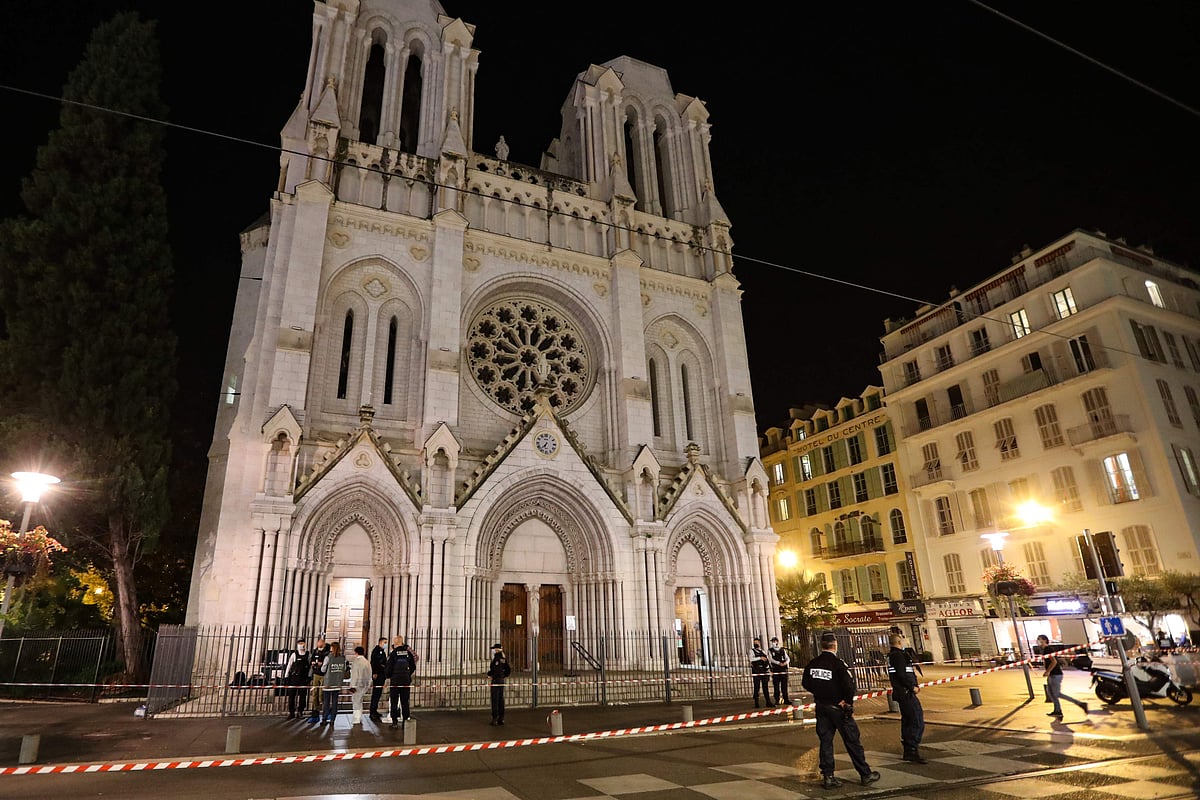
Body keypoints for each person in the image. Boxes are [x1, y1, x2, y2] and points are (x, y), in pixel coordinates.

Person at [801, 632, 880, 789]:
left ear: (821, 645)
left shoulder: (813, 664)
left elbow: (806, 683)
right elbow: (849, 686)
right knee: (852, 741)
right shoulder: (838, 664)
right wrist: (846, 702)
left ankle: (828, 777)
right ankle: (865, 774)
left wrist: (820, 693)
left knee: (826, 742)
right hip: (838, 708)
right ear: (835, 645)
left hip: (821, 707)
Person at [887, 633, 926, 763]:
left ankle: (909, 749)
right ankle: (911, 749)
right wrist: (912, 687)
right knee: (916, 720)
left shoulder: (893, 656)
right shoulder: (898, 656)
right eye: (902, 640)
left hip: (902, 692)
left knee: (908, 720)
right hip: (906, 692)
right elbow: (902, 674)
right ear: (899, 642)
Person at [1037, 634, 1087, 718]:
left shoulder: (1048, 649)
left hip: (1055, 674)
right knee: (1050, 693)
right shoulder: (1045, 650)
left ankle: (1080, 704)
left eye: (1039, 639)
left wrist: (1048, 671)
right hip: (1052, 674)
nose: (1038, 641)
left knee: (1057, 694)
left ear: (1045, 640)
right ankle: (1057, 710)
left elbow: (1054, 662)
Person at [386, 635, 417, 728]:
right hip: (405, 680)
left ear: (395, 643)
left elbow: (389, 667)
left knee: (394, 702)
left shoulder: (393, 653)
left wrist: (389, 675)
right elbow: (413, 666)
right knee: (405, 701)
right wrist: (408, 674)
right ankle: (405, 721)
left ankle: (394, 722)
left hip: (395, 680)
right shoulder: (408, 653)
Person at [319, 641, 348, 725]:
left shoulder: (328, 657)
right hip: (337, 683)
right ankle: (332, 719)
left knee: (326, 702)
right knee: (335, 702)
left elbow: (323, 669)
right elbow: (344, 669)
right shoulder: (342, 658)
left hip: (328, 683)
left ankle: (324, 718)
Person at [281, 638, 311, 718]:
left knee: (302, 696)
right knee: (291, 695)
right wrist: (286, 676)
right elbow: (289, 665)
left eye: (302, 643)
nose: (301, 645)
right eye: (300, 643)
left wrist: (309, 676)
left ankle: (300, 711)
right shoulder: (294, 654)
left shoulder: (308, 654)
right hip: (294, 677)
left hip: (303, 678)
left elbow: (310, 666)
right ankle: (291, 712)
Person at [306, 634, 331, 722]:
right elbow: (311, 660)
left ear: (323, 644)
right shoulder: (315, 651)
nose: (319, 644)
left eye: (320, 643)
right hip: (316, 673)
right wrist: (313, 663)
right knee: (315, 694)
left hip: (323, 674)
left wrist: (321, 664)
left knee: (322, 695)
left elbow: (327, 662)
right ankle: (315, 714)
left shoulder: (327, 652)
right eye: (318, 643)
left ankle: (326, 712)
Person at [487, 642, 511, 725]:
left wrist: (491, 675)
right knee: (501, 699)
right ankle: (501, 718)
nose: (493, 650)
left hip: (496, 681)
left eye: (494, 649)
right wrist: (503, 676)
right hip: (501, 680)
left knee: (495, 699)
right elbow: (508, 669)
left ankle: (495, 718)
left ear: (497, 649)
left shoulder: (497, 658)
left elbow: (496, 670)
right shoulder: (503, 658)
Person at [347, 645, 372, 725]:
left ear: (356, 653)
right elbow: (370, 673)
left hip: (357, 684)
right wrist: (368, 683)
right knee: (360, 700)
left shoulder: (356, 662)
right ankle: (359, 716)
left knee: (356, 701)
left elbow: (354, 675)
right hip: (365, 684)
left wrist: (352, 686)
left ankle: (356, 718)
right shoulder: (366, 662)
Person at [767, 636, 792, 705]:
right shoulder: (770, 650)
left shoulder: (782, 650)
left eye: (774, 641)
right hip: (776, 670)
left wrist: (785, 663)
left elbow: (787, 658)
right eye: (772, 641)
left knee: (784, 686)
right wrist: (778, 663)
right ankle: (777, 700)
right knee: (776, 686)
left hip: (783, 670)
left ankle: (786, 699)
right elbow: (771, 659)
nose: (773, 643)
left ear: (777, 642)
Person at [750, 637, 774, 708]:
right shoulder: (752, 651)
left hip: (764, 670)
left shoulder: (762, 651)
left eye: (757, 642)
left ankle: (768, 702)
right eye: (755, 642)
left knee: (765, 687)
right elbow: (751, 659)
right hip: (756, 671)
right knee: (756, 687)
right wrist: (760, 658)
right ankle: (756, 702)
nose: (756, 643)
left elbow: (767, 660)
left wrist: (769, 668)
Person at [369, 636, 389, 721]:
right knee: (376, 694)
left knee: (378, 694)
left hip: (381, 674)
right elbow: (374, 662)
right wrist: (374, 672)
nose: (386, 644)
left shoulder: (382, 651)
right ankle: (372, 712)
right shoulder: (376, 651)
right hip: (378, 675)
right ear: (380, 642)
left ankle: (375, 710)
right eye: (385, 642)